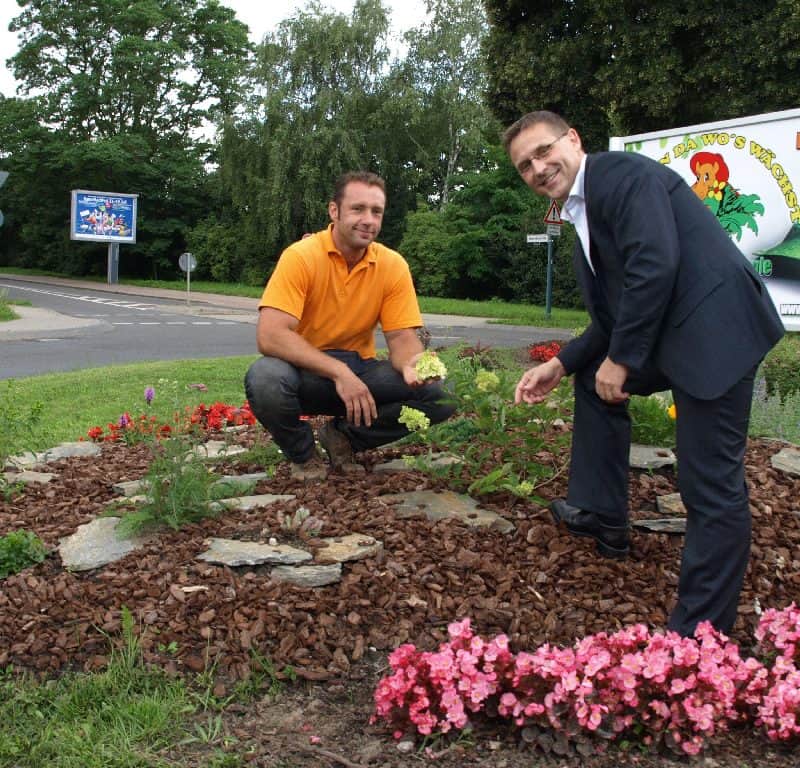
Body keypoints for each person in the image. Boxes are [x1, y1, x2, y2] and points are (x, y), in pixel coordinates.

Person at [504, 111, 784, 637]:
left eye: (544, 151)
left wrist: (624, 359)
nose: (538, 168)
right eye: (525, 165)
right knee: (590, 380)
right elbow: (613, 315)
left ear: (574, 139)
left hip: (717, 333)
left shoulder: (620, 176)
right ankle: (601, 513)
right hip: (676, 333)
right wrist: (562, 363)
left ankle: (700, 636)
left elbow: (653, 263)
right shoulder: (580, 210)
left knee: (710, 488)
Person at [244, 171, 454, 480]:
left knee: (442, 392)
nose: (368, 219)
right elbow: (271, 335)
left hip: (360, 371)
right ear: (334, 211)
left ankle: (343, 438)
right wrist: (339, 372)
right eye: (358, 209)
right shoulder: (301, 257)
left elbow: (400, 336)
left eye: (376, 211)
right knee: (264, 377)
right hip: (304, 373)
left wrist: (414, 364)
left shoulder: (392, 265)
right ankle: (303, 455)